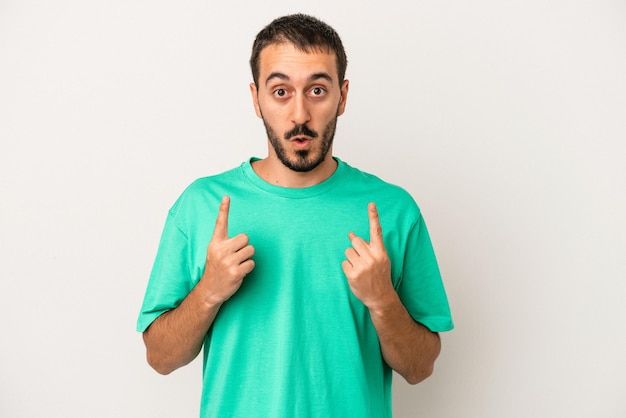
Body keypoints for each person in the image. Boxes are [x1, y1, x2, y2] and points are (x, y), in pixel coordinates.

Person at [137, 13, 453, 417]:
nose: (300, 114)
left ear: (342, 96)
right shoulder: (200, 205)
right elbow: (160, 358)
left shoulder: (394, 209)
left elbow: (420, 367)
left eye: (317, 90)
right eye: (281, 91)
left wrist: (382, 300)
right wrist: (209, 291)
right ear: (256, 99)